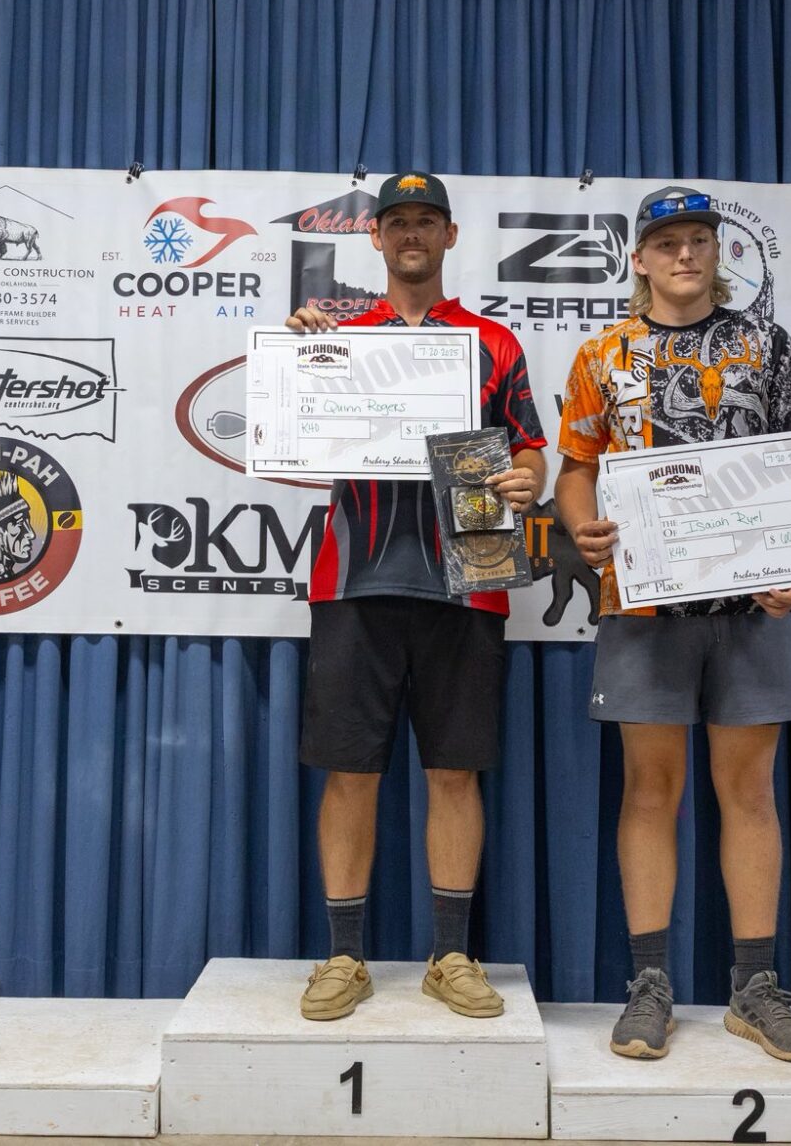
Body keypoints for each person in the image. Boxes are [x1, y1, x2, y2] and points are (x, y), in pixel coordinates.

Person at [552, 185, 791, 1063]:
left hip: (751, 606)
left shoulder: (767, 345)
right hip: (643, 605)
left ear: (716, 252)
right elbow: (575, 468)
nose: (684, 254)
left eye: (698, 239)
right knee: (649, 792)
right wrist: (582, 527)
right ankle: (649, 984)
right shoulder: (602, 354)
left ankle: (754, 988)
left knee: (750, 793)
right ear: (639, 258)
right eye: (667, 242)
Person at [288, 172, 548, 1021]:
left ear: (449, 235)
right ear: (375, 238)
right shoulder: (337, 337)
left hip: (469, 574)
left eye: (426, 221)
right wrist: (298, 358)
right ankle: (343, 956)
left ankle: (450, 955)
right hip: (354, 576)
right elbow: (290, 424)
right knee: (350, 771)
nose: (410, 234)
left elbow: (531, 448)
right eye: (395, 221)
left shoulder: (493, 342)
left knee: (454, 771)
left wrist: (526, 479)